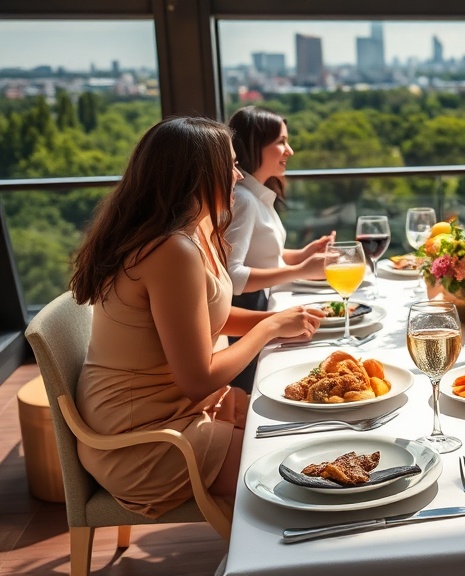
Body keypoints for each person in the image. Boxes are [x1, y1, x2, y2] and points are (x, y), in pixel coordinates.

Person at [69, 117, 323, 518]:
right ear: (198, 176)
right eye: (231, 165)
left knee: (309, 424)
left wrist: (279, 318)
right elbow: (197, 379)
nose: (238, 175)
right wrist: (270, 328)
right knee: (300, 473)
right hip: (144, 443)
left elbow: (208, 318)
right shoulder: (171, 251)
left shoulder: (197, 229)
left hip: (177, 412)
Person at [225, 106, 333, 391]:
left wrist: (304, 254)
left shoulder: (256, 195)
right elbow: (232, 277)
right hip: (249, 318)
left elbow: (263, 255)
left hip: (263, 307)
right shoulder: (244, 200)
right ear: (255, 146)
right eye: (281, 142)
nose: (290, 150)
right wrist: (299, 270)